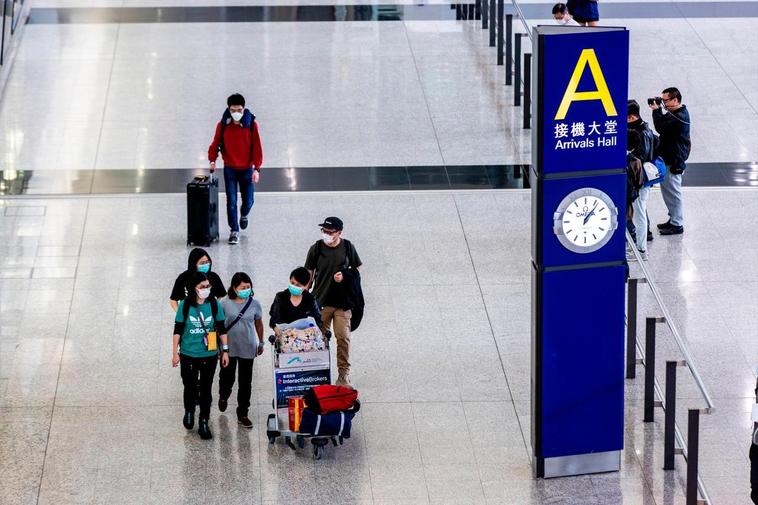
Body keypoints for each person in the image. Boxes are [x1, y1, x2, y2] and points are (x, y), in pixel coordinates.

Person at [305, 217, 362, 387]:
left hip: (342, 302)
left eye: (331, 232)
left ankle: (343, 375)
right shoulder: (316, 248)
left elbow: (357, 269)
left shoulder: (347, 247)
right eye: (324, 231)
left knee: (343, 338)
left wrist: (345, 275)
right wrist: (305, 293)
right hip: (321, 300)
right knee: (319, 339)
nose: (327, 235)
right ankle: (317, 373)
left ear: (339, 233)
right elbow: (309, 271)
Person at [172, 272, 229, 440]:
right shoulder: (185, 305)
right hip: (188, 353)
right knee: (189, 385)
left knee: (206, 388)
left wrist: (225, 350)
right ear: (193, 288)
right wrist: (174, 352)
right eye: (202, 287)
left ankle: (204, 419)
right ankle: (189, 410)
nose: (206, 290)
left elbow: (221, 328)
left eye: (208, 286)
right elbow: (178, 329)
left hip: (209, 354)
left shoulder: (214, 305)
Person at [208, 93, 264, 245]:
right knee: (231, 201)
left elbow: (257, 147)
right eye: (233, 110)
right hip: (230, 169)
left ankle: (244, 214)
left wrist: (257, 169)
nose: (236, 113)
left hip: (246, 169)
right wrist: (212, 160)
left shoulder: (251, 124)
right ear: (228, 109)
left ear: (244, 109)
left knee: (249, 201)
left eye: (239, 110)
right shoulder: (223, 125)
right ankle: (234, 230)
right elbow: (215, 143)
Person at [219, 272, 264, 429]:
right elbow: (219, 325)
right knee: (227, 376)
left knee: (245, 382)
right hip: (228, 347)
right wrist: (220, 346)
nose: (246, 289)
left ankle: (243, 413)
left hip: (248, 346)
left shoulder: (255, 304)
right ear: (234, 288)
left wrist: (261, 342)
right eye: (243, 287)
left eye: (248, 287)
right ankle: (223, 395)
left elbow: (259, 323)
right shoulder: (224, 303)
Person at [650, 87, 691, 236]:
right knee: (668, 192)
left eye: (665, 100)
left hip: (674, 161)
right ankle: (673, 218)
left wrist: (656, 110)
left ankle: (677, 224)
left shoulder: (679, 117)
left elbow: (661, 128)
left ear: (675, 100)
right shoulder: (675, 113)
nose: (663, 103)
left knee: (673, 193)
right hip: (669, 158)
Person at [627, 99, 656, 243]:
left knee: (639, 212)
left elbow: (640, 157)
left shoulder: (642, 133)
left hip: (640, 179)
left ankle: (641, 246)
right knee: (641, 209)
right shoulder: (644, 128)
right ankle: (645, 234)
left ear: (632, 117)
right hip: (641, 178)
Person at [626, 130, 648, 261]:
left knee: (639, 218)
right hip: (637, 192)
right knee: (637, 218)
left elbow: (639, 182)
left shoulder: (634, 161)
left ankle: (641, 249)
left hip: (636, 193)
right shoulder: (635, 159)